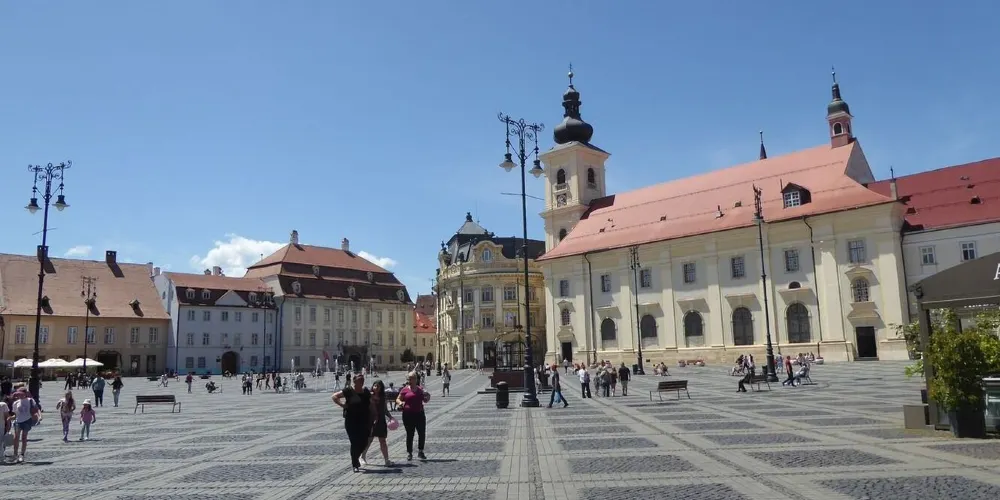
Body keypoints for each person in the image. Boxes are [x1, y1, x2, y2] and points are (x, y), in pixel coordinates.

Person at [333, 373, 371, 472]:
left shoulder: (366, 391)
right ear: (354, 381)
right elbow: (334, 396)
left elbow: (371, 403)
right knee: (354, 442)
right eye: (360, 379)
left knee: (364, 442)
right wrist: (342, 405)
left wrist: (376, 415)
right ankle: (355, 464)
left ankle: (356, 458)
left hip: (364, 420)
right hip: (351, 420)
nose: (362, 380)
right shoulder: (348, 391)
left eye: (363, 379)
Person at [395, 371, 429, 461]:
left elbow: (425, 400)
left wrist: (427, 397)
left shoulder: (421, 389)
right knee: (410, 434)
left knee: (421, 433)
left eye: (411, 379)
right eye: (408, 379)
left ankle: (421, 451)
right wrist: (400, 403)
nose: (409, 380)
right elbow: (398, 399)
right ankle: (409, 453)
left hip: (419, 414)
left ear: (415, 379)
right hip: (408, 415)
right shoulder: (405, 389)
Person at [361, 380, 393, 466]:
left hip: (381, 420)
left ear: (381, 388)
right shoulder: (369, 396)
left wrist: (390, 417)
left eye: (378, 386)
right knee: (369, 440)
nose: (376, 387)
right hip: (371, 421)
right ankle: (362, 456)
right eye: (375, 385)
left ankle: (386, 460)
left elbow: (385, 409)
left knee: (383, 441)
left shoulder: (383, 397)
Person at [10, 388, 41, 464]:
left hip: (27, 421)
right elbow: (15, 414)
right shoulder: (16, 402)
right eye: (18, 394)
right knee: (16, 437)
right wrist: (10, 418)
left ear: (25, 393)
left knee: (24, 437)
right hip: (18, 421)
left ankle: (22, 455)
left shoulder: (30, 400)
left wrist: (39, 416)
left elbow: (36, 409)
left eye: (21, 394)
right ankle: (15, 454)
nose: (19, 395)